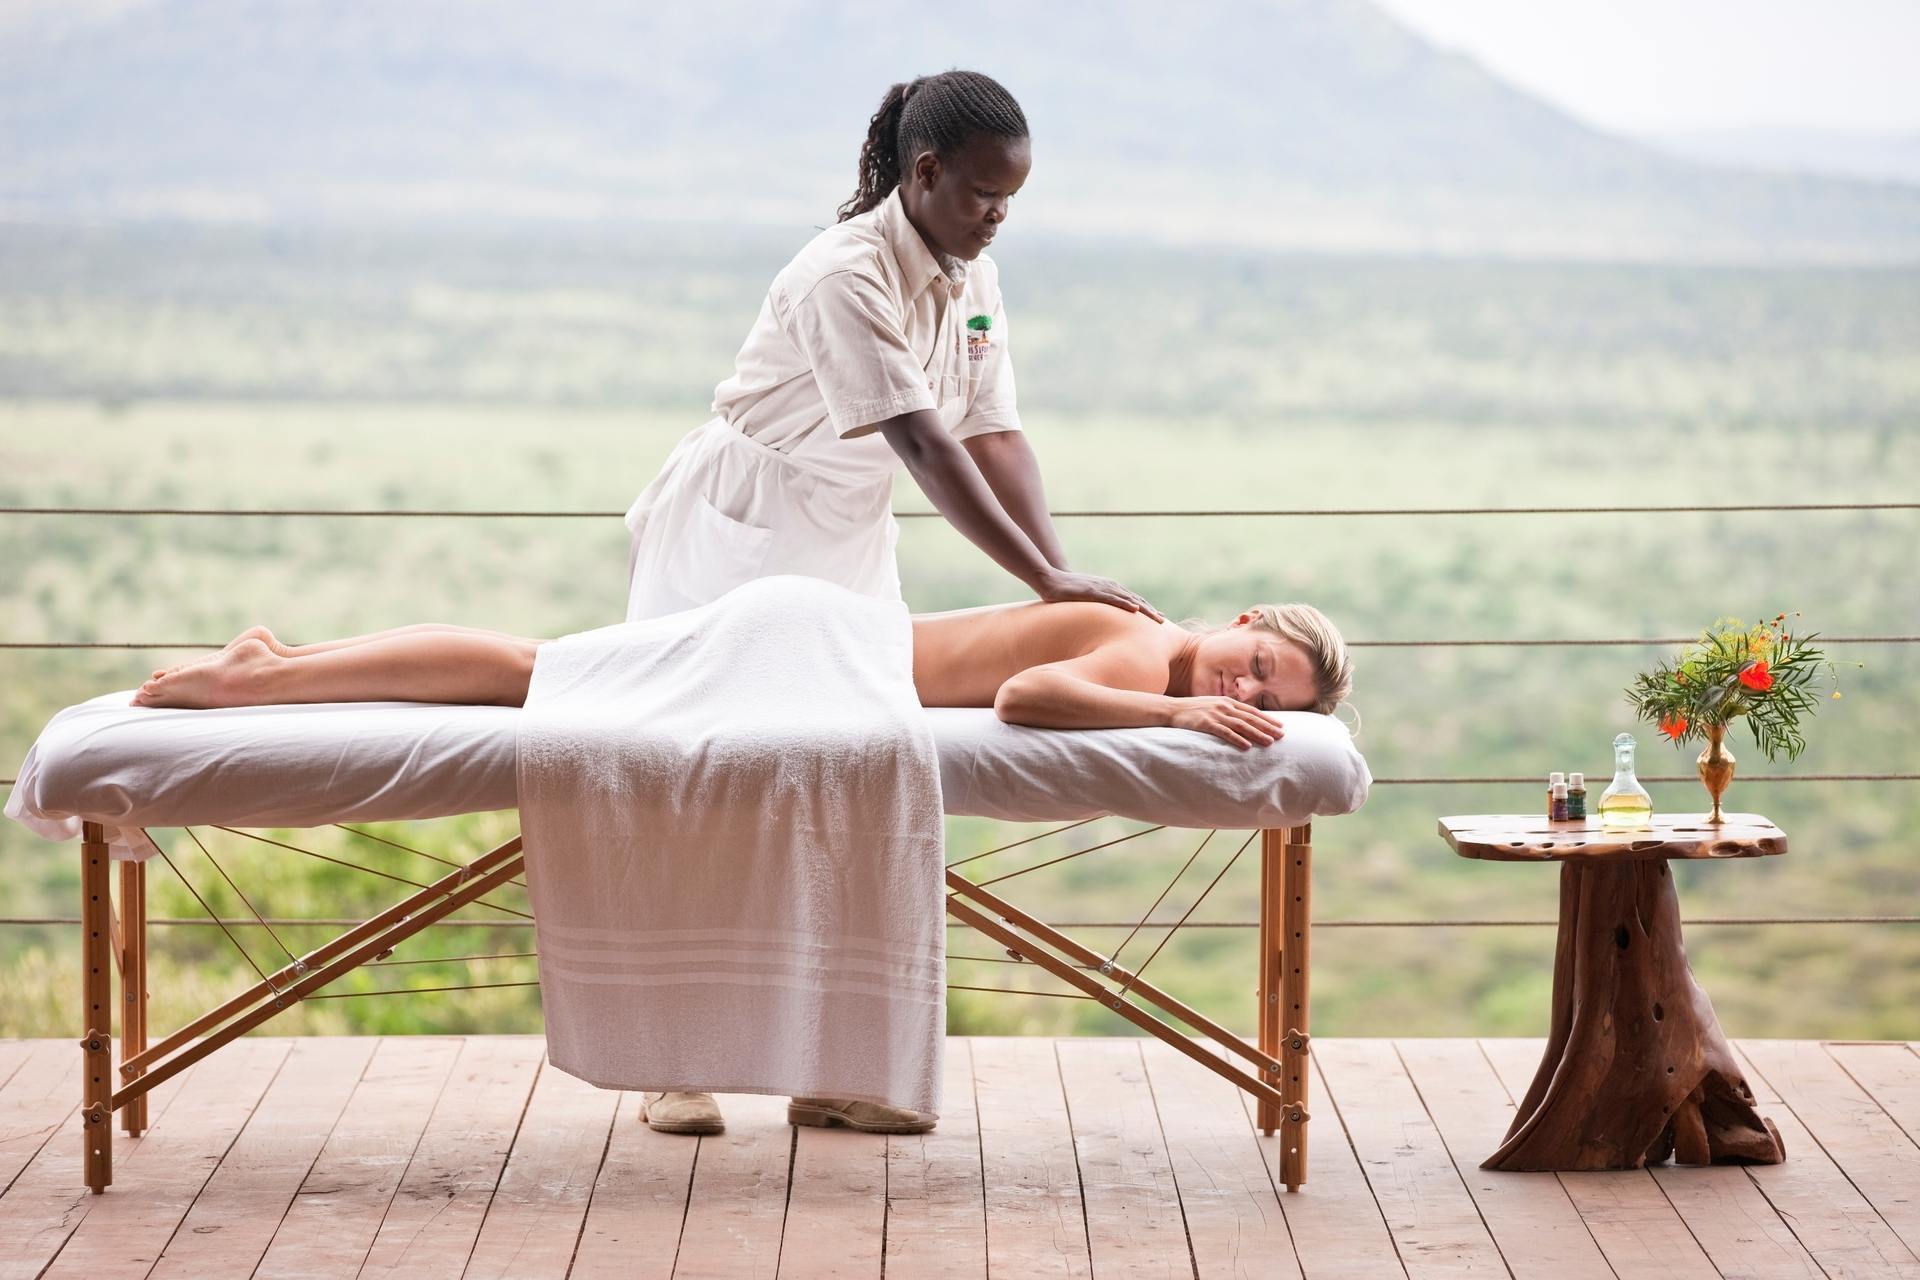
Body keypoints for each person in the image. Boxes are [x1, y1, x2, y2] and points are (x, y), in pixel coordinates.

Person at [130, 598, 1353, 1133]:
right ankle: (257, 682)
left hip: (819, 655)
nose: (1244, 693)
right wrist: (1175, 720)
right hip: (804, 654)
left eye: (1268, 702)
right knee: (532, 672)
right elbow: (1034, 696)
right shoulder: (1151, 654)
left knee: (535, 667)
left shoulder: (1149, 646)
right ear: (1241, 621)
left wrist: (1181, 712)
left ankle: (277, 661)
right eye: (1258, 668)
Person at [620, 69, 1160, 629]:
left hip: (854, 526)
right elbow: (924, 445)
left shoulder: (978, 281)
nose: (1000, 214)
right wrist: (1043, 580)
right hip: (748, 517)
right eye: (984, 193)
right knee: (718, 698)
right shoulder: (846, 275)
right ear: (928, 171)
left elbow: (994, 437)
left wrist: (1062, 575)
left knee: (849, 701)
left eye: (1010, 197)